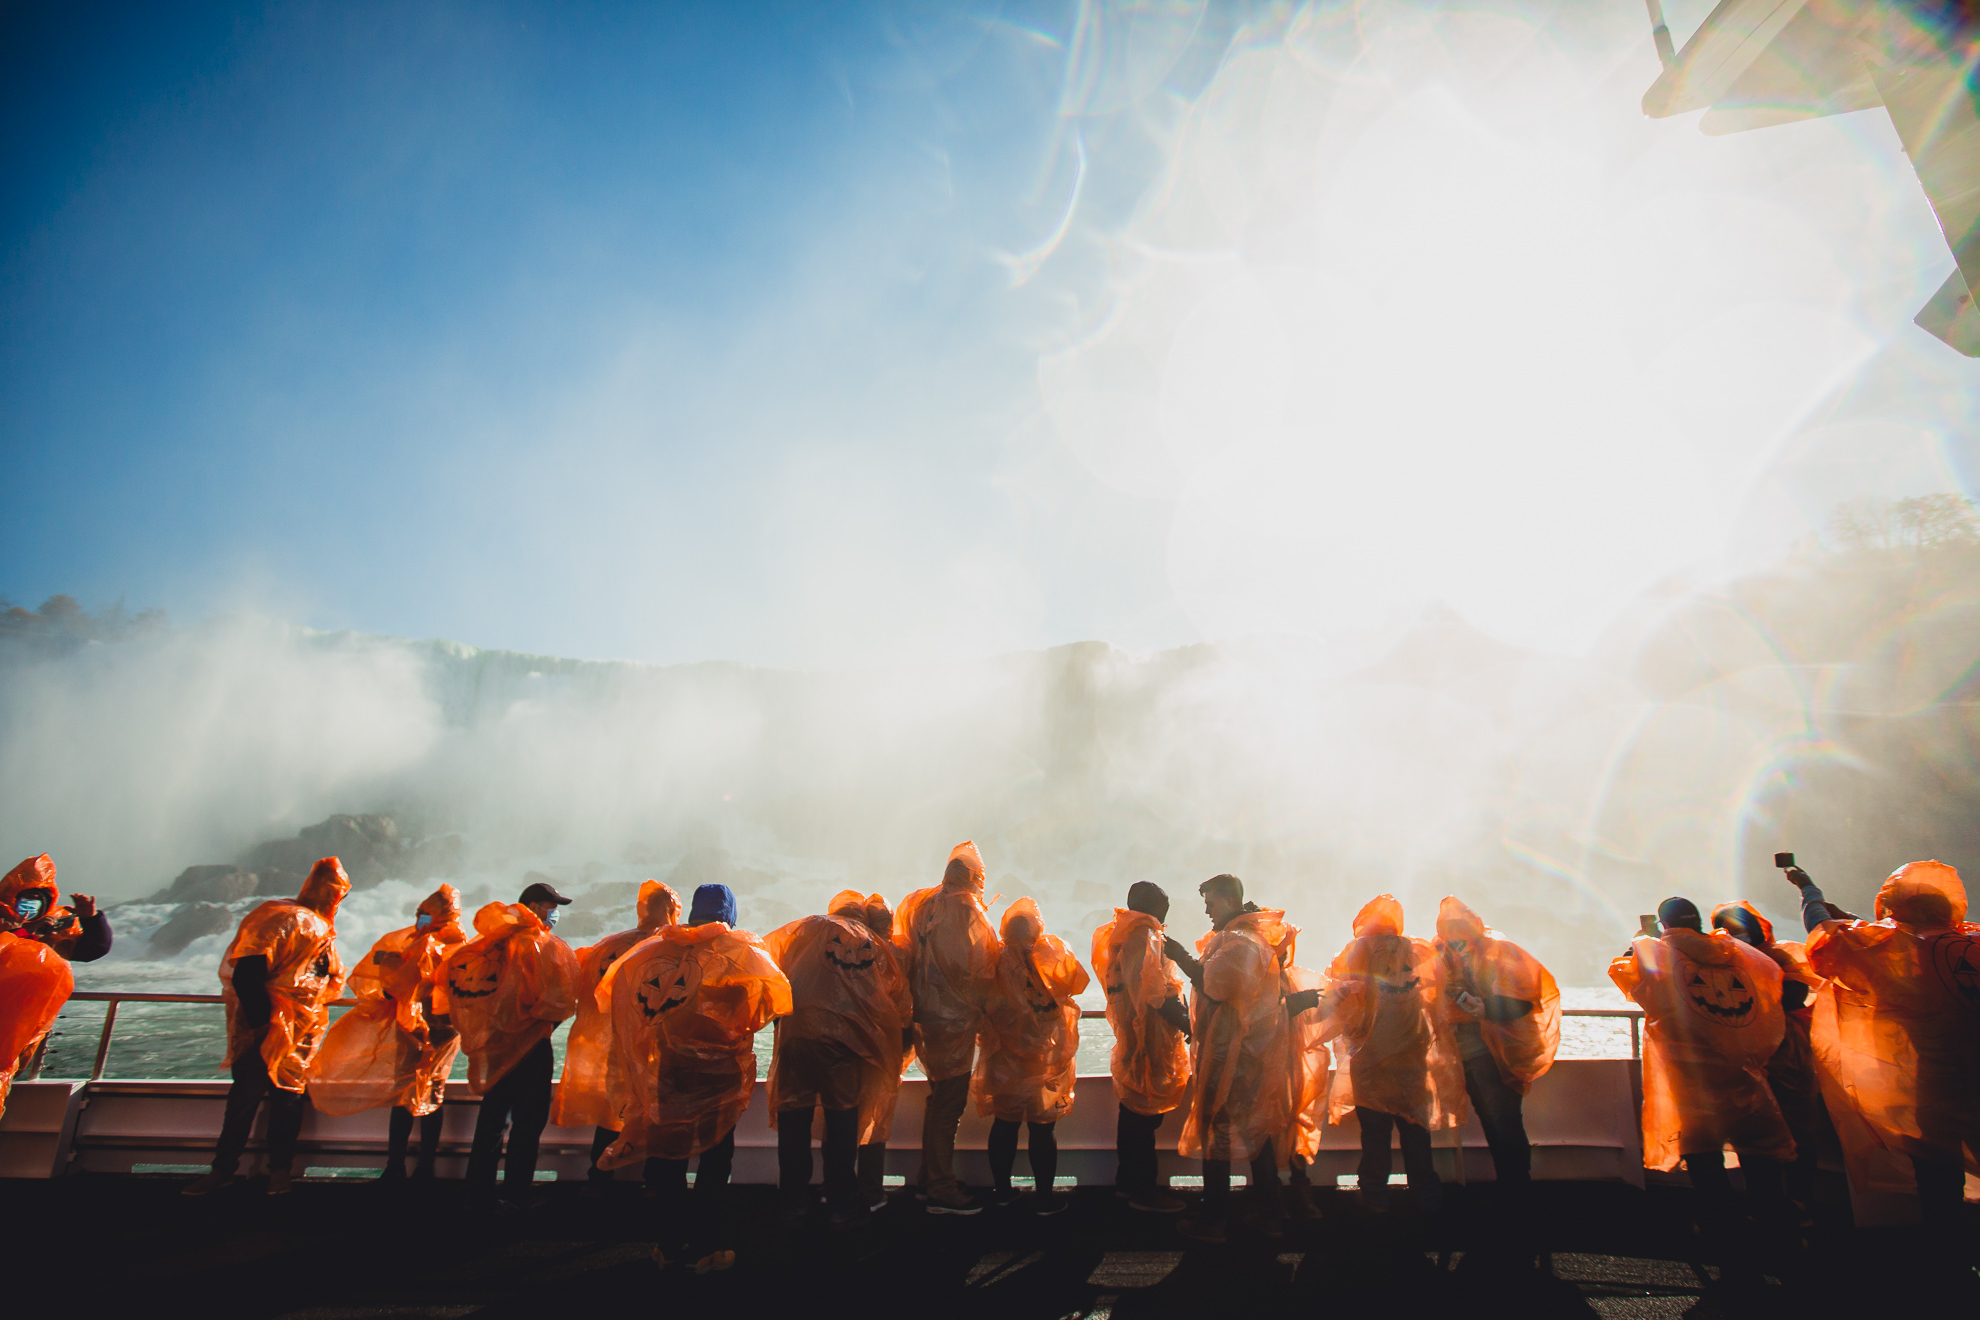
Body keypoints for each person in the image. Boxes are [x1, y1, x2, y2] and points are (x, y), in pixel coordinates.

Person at [596, 882, 791, 1272]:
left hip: (670, 1071)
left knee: (669, 1156)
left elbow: (618, 994)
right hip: (719, 1077)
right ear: (730, 915)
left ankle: (667, 1246)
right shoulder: (743, 952)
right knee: (715, 1160)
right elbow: (776, 1002)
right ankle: (705, 1248)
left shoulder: (657, 950)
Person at [1785, 860, 1979, 1231]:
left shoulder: (1898, 954)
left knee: (1940, 1184)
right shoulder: (1972, 941)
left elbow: (1823, 932)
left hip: (1938, 1090)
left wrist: (1808, 888)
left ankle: (1951, 1267)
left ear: (1898, 910)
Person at [1610, 896, 1794, 1275]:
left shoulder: (1659, 956)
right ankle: (1779, 1238)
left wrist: (1641, 940)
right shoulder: (1737, 953)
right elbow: (1774, 987)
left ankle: (1725, 1241)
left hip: (1692, 1082)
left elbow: (1626, 976)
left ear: (1664, 925)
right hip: (1746, 1075)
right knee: (1763, 1162)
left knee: (1707, 1164)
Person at [182, 857, 350, 1197]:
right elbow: (248, 974)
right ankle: (239, 1171)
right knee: (256, 1100)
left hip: (297, 1032)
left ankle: (268, 1171)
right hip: (270, 1029)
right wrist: (263, 1025)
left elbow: (321, 977)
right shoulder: (284, 918)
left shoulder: (308, 924)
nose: (333, 900)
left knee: (275, 1102)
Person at [763, 888, 911, 1228]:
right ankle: (841, 1204)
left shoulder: (806, 928)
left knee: (794, 1121)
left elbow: (768, 966)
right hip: (845, 1049)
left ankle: (793, 1203)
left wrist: (779, 1020)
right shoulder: (872, 943)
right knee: (843, 1123)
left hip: (797, 1041)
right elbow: (896, 997)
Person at [1168, 874, 1303, 1243]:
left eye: (1210, 902)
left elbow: (1218, 985)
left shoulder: (1241, 942)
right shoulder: (1244, 938)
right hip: (1246, 1053)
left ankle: (1214, 1220)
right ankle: (1268, 1212)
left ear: (1227, 901)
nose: (1207, 910)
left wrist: (1179, 956)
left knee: (1219, 1132)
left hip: (1235, 1056)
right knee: (1253, 1131)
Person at [309, 884, 469, 1179]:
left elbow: (460, 988)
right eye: (421, 913)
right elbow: (377, 977)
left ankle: (416, 1167)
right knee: (409, 1091)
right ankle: (402, 1165)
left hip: (440, 1028)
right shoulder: (408, 942)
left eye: (428, 914)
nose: (422, 919)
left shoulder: (457, 947)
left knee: (426, 1091)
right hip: (412, 1025)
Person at [441, 879, 581, 1210]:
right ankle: (516, 1194)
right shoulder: (547, 947)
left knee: (491, 1122)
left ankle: (477, 1191)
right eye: (552, 908)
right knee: (526, 1127)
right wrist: (539, 1027)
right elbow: (561, 1002)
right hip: (532, 1049)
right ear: (534, 909)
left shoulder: (489, 943)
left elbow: (463, 988)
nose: (555, 915)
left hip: (493, 1046)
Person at [1326, 894, 1465, 1217]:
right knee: (1416, 1131)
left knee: (1375, 1135)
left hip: (1370, 1059)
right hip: (1412, 1058)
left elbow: (1339, 999)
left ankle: (1375, 1198)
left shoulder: (1355, 951)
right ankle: (1427, 1198)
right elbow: (1440, 995)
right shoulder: (1418, 951)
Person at [551, 879, 681, 1191]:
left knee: (612, 1119)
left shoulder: (607, 946)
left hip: (615, 1053)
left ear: (642, 909)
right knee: (653, 1121)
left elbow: (583, 994)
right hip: (654, 1055)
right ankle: (653, 1186)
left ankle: (599, 1182)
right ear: (673, 911)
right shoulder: (674, 948)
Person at [893, 840, 1001, 1215]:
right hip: (953, 1020)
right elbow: (973, 968)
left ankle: (928, 1179)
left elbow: (904, 950)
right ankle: (940, 1190)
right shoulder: (965, 908)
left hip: (925, 1016)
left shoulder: (922, 903)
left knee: (937, 1098)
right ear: (974, 877)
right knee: (949, 1104)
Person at [1433, 896, 1560, 1198]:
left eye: (1458, 928)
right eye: (1448, 929)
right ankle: (1512, 1188)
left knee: (1504, 1121)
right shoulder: (1441, 952)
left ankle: (1517, 1188)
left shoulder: (1499, 950)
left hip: (1498, 1054)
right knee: (1493, 1120)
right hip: (1466, 1053)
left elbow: (1527, 998)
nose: (1454, 936)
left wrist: (1486, 1009)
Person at [972, 897, 1088, 1215]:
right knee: (1042, 1127)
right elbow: (1076, 984)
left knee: (1005, 1124)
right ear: (1036, 930)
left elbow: (981, 1000)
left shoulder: (993, 959)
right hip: (1043, 1059)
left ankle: (1003, 1191)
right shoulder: (1046, 956)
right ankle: (1045, 1198)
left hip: (1004, 1059)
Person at [1710, 899, 1828, 1206]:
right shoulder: (1719, 962)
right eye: (1727, 930)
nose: (1735, 934)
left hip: (1785, 1053)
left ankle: (1801, 1201)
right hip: (1744, 1057)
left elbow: (1797, 995)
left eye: (1740, 929)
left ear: (1754, 929)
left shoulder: (1776, 956)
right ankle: (1767, 1203)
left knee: (1797, 1128)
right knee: (1751, 1132)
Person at [1091, 881, 1191, 1213]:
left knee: (1132, 1110)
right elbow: (1155, 993)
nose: (1167, 910)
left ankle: (1126, 1184)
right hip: (1148, 1037)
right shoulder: (1144, 935)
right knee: (1143, 1117)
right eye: (1163, 904)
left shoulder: (1121, 935)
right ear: (1149, 905)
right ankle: (1143, 1192)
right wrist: (1188, 1023)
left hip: (1132, 1035)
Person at [855, 893, 911, 1212]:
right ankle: (872, 1190)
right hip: (886, 1049)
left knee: (848, 1118)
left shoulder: (852, 951)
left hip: (853, 1046)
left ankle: (840, 1187)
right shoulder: (898, 954)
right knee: (876, 1119)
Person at [1, 853, 112, 962]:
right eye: (26, 897)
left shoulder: (51, 931)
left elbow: (94, 950)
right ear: (11, 899)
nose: (29, 904)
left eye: (36, 899)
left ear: (46, 904)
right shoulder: (3, 924)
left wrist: (91, 920)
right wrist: (18, 932)